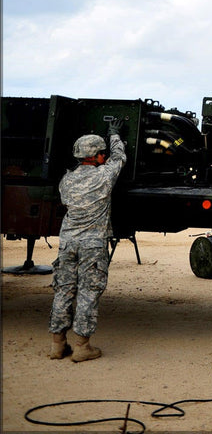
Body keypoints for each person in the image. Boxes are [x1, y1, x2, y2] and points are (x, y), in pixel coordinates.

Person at [48, 118, 126, 361]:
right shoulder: (103, 176)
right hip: (92, 244)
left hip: (68, 242)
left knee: (63, 290)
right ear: (97, 156)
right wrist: (114, 135)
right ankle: (82, 347)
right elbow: (119, 158)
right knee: (88, 292)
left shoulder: (66, 180)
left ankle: (58, 345)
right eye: (102, 153)